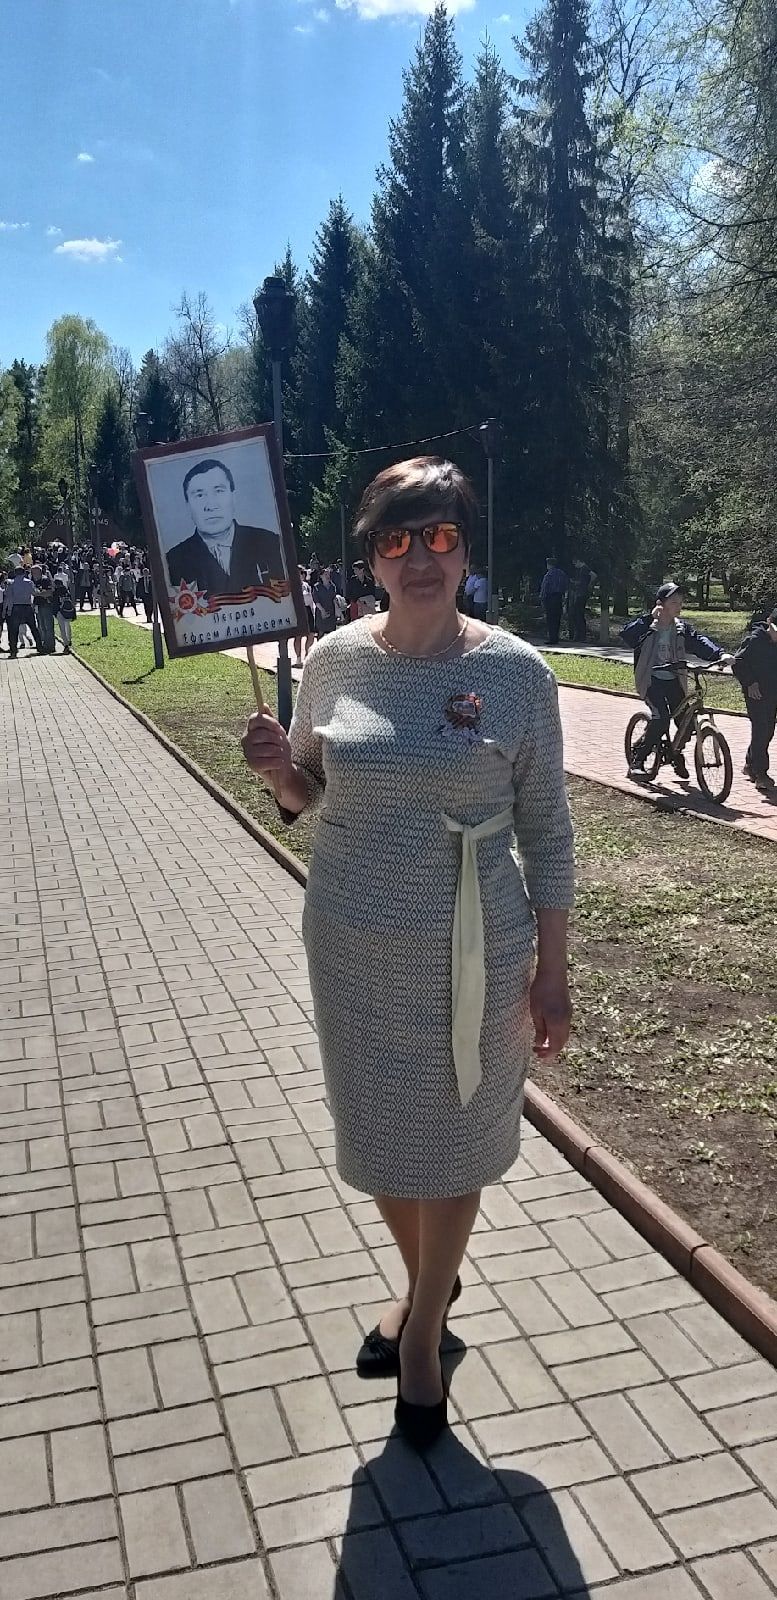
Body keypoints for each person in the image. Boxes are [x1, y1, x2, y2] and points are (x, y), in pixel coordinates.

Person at [242, 457, 574, 1452]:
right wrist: (275, 772)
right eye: (399, 538)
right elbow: (307, 790)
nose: (421, 557)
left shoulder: (518, 675)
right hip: (348, 943)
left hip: (473, 946)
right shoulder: (335, 659)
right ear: (374, 556)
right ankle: (436, 1272)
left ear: (465, 550)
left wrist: (553, 972)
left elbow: (549, 831)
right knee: (382, 1135)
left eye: (440, 536)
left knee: (457, 1134)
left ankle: (424, 1327)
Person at [622, 582, 730, 780]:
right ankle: (637, 761)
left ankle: (674, 752)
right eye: (673, 602)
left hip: (674, 680)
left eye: (680, 602)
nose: (678, 606)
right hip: (651, 680)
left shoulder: (680, 628)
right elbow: (628, 636)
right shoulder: (649, 626)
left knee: (687, 721)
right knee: (661, 718)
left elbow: (699, 641)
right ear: (660, 604)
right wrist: (648, 619)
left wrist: (720, 654)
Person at [166, 458, 286, 598]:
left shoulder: (269, 543)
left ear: (233, 496)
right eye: (199, 495)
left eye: (219, 491)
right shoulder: (174, 560)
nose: (211, 505)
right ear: (187, 505)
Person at [731, 606, 777, 793]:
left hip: (773, 691)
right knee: (761, 729)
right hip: (756, 693)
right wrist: (750, 683)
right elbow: (738, 662)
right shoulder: (754, 640)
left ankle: (750, 764)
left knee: (767, 731)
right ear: (769, 623)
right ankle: (760, 774)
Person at [5, 566, 43, 658]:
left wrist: (8, 610)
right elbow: (34, 593)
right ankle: (40, 647)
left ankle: (13, 651)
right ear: (24, 573)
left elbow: (9, 597)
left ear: (15, 573)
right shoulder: (29, 582)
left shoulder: (12, 584)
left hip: (16, 607)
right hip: (27, 607)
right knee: (33, 628)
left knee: (14, 630)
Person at [539, 557, 568, 645]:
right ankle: (556, 637)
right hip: (559, 597)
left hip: (550, 598)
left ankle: (552, 638)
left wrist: (542, 598)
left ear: (549, 565)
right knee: (557, 618)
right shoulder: (562, 574)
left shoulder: (548, 575)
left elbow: (544, 588)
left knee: (550, 619)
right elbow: (566, 585)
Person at [293, 566, 315, 666]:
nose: (300, 575)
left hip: (308, 610)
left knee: (311, 635)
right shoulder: (292, 586)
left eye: (302, 573)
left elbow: (311, 599)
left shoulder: (307, 585)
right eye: (298, 573)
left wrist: (313, 611)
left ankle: (307, 655)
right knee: (298, 636)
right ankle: (298, 658)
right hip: (297, 611)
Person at [568, 559, 594, 642]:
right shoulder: (582, 570)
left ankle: (581, 635)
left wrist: (588, 584)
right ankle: (579, 635)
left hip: (581, 594)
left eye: (575, 563)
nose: (575, 566)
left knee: (578, 613)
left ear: (579, 561)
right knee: (577, 613)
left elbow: (593, 575)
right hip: (581, 593)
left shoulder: (584, 568)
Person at [311, 565, 338, 638]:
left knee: (332, 634)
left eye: (328, 574)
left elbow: (334, 599)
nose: (327, 576)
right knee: (321, 632)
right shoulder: (317, 587)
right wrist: (322, 610)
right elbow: (316, 600)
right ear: (321, 576)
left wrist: (338, 612)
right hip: (321, 611)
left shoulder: (332, 586)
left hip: (331, 611)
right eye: (325, 574)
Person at [53, 568, 75, 652]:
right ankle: (69, 640)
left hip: (59, 611)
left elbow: (54, 602)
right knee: (68, 626)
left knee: (62, 628)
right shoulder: (66, 591)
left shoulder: (55, 592)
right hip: (67, 610)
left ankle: (65, 643)